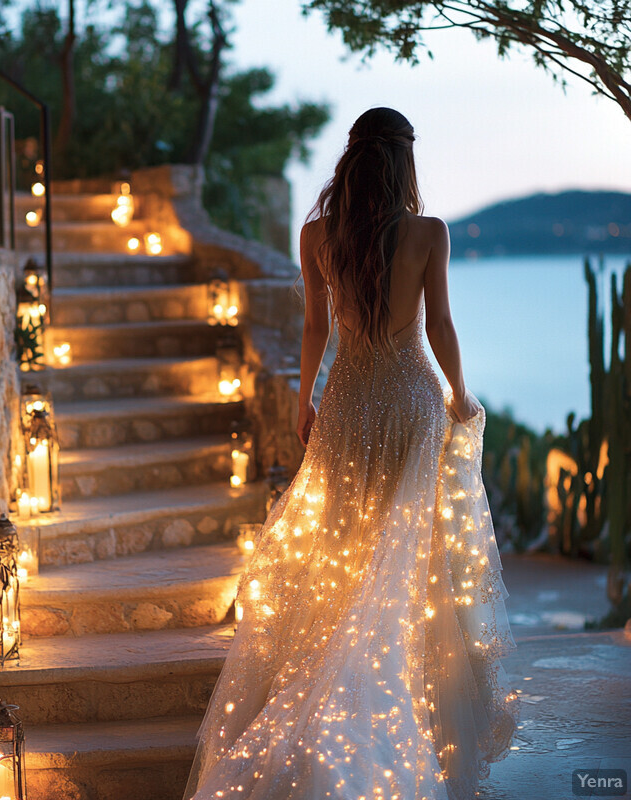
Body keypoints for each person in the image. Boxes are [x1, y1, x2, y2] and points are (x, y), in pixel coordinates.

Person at [183, 107, 519, 800]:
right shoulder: (429, 233)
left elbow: (313, 328)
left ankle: (341, 689)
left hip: (346, 406)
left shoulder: (316, 235)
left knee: (348, 546)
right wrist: (460, 397)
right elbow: (442, 326)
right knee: (413, 557)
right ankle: (407, 705)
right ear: (404, 162)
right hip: (411, 403)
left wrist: (307, 399)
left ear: (353, 160)